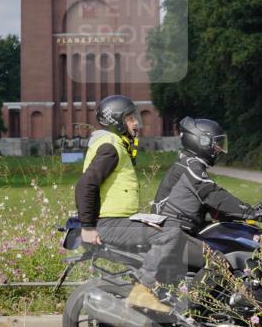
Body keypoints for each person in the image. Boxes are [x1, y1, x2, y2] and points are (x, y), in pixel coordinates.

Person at [74, 95, 197, 314]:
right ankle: (143, 290)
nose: (136, 123)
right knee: (169, 233)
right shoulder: (110, 147)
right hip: (108, 224)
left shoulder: (116, 145)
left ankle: (165, 293)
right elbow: (85, 185)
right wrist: (88, 227)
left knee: (167, 226)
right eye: (130, 118)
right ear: (116, 121)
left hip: (116, 220)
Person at [153, 116, 262, 234]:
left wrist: (247, 212)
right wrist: (253, 213)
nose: (219, 149)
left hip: (176, 230)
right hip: (170, 234)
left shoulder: (188, 164)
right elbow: (214, 196)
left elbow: (213, 207)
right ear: (202, 141)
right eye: (217, 144)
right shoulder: (190, 166)